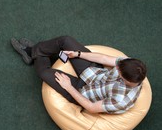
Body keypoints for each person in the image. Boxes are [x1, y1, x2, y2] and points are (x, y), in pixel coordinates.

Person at [11, 36, 147, 114]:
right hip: (94, 74)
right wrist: (78, 54)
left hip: (83, 93)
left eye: (119, 71)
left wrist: (69, 87)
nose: (116, 66)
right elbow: (105, 59)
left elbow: (92, 108)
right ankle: (34, 51)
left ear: (124, 79)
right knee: (65, 41)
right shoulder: (127, 65)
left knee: (44, 72)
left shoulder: (122, 100)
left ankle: (31, 53)